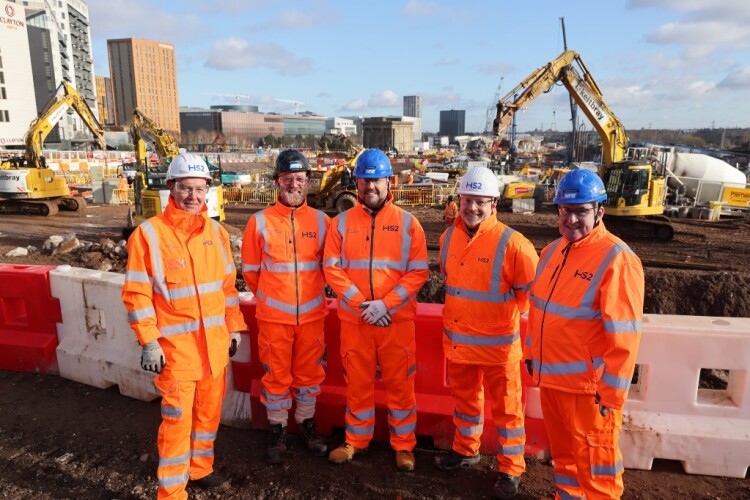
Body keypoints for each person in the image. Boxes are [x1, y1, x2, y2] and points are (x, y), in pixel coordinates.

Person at [121, 152, 247, 500]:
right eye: (185, 188)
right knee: (177, 424)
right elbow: (137, 294)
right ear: (172, 188)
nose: (193, 196)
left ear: (208, 190)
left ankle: (200, 469)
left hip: (215, 349)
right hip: (176, 355)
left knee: (208, 417)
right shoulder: (148, 235)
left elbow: (226, 288)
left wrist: (234, 328)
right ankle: (172, 492)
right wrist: (149, 340)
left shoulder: (216, 233)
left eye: (199, 189)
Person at [524, 169, 644, 499]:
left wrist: (611, 395)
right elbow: (537, 311)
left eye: (582, 211)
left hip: (590, 394)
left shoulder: (616, 259)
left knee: (597, 473)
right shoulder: (551, 253)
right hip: (553, 385)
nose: (572, 219)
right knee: (565, 464)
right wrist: (530, 355)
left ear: (599, 211)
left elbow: (625, 336)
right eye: (566, 210)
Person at [434, 166, 539, 499]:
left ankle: (511, 470)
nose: (472, 208)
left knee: (507, 411)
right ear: (459, 201)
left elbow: (530, 297)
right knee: (465, 403)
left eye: (480, 202)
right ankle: (466, 450)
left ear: (494, 203)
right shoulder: (448, 237)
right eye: (467, 201)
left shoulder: (514, 244)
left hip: (498, 348)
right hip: (460, 344)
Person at [323, 148, 429, 472]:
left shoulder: (409, 224)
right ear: (357, 182)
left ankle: (404, 446)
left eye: (376, 180)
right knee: (357, 384)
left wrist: (386, 304)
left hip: (396, 321)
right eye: (364, 180)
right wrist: (362, 305)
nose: (370, 186)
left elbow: (418, 271)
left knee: (400, 386)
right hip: (356, 322)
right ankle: (356, 440)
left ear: (388, 181)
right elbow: (332, 268)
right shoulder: (340, 223)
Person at [241, 149, 331, 464]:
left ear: (308, 183)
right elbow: (251, 272)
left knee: (309, 375)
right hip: (273, 319)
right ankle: (278, 429)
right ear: (277, 182)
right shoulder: (259, 222)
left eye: (300, 179)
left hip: (311, 318)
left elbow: (329, 269)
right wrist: (272, 298)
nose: (294, 185)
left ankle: (306, 424)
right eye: (288, 179)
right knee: (275, 376)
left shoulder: (322, 222)